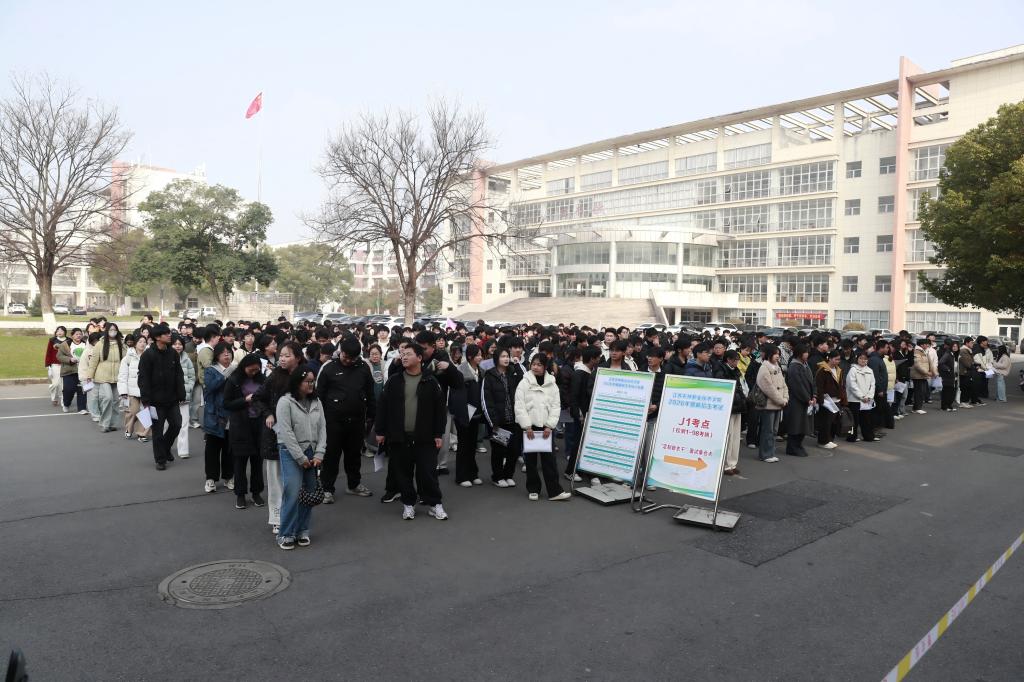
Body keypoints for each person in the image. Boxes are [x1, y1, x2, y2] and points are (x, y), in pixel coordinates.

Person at [374, 344, 448, 521]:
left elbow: (440, 410)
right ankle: (408, 504)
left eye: (408, 354)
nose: (404, 357)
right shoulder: (394, 380)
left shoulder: (431, 381)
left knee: (428, 473)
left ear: (419, 358)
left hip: (425, 437)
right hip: (399, 436)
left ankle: (435, 504)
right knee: (403, 473)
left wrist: (438, 434)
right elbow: (383, 406)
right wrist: (380, 431)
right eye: (402, 354)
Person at [316, 338, 376, 502]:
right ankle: (327, 489)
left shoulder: (363, 367)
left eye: (352, 358)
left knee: (354, 455)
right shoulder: (328, 367)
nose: (348, 360)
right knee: (331, 455)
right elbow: (318, 395)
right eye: (345, 357)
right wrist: (318, 419)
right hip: (332, 421)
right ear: (340, 351)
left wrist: (372, 414)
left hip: (357, 420)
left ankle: (354, 484)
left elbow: (370, 392)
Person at [275, 368, 327, 550]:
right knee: (293, 491)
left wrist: (319, 453)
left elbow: (323, 428)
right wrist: (300, 457)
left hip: (312, 452)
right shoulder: (285, 402)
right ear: (298, 382)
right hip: (290, 452)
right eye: (307, 381)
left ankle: (302, 530)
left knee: (309, 493)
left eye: (313, 381)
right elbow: (286, 432)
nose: (311, 384)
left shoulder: (317, 401)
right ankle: (286, 533)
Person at [514, 353, 571, 501]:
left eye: (539, 365)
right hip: (530, 428)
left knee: (549, 461)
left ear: (545, 367)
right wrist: (527, 426)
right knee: (531, 461)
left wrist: (549, 426)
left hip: (546, 428)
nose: (535, 367)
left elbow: (556, 406)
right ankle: (533, 489)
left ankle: (555, 491)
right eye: (533, 364)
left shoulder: (552, 384)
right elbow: (519, 406)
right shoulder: (524, 382)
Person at [137, 324, 186, 470]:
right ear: (157, 337)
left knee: (177, 425)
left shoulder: (173, 353)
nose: (170, 335)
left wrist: (181, 393)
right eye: (166, 333)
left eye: (169, 333)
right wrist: (146, 400)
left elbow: (179, 374)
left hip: (172, 399)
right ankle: (160, 459)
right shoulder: (148, 355)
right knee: (157, 432)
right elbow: (143, 379)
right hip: (155, 401)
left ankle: (165, 448)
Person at [223, 354, 266, 510]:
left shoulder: (262, 380)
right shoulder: (234, 380)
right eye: (251, 370)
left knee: (257, 461)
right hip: (240, 424)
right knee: (240, 461)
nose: (253, 373)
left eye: (256, 370)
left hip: (258, 423)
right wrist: (245, 400)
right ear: (243, 367)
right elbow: (226, 403)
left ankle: (256, 492)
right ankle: (240, 495)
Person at [481, 347, 523, 488]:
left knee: (514, 450)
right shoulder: (490, 375)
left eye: (507, 356)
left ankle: (508, 475)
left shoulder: (512, 372)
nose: (506, 359)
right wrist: (493, 421)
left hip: (514, 419)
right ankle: (497, 477)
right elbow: (486, 400)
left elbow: (524, 380)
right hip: (498, 421)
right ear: (496, 359)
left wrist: (517, 364)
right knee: (499, 451)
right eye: (503, 356)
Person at [202, 342, 237, 490]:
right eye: (223, 352)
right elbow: (210, 387)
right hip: (214, 415)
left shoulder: (235, 370)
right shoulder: (210, 370)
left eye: (229, 352)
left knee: (229, 448)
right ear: (217, 355)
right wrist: (225, 375)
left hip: (231, 414)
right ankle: (211, 479)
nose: (227, 355)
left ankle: (229, 477)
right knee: (212, 449)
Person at [566, 346, 601, 481]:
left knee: (584, 442)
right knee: (578, 442)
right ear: (592, 359)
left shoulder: (589, 372)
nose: (599, 359)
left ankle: (580, 469)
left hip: (587, 413)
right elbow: (574, 397)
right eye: (598, 357)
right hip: (581, 415)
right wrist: (579, 414)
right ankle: (570, 471)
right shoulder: (580, 374)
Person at [455, 343, 485, 487]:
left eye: (481, 355)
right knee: (463, 444)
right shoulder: (460, 371)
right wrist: (461, 413)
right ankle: (461, 476)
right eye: (477, 355)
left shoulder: (481, 371)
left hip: (476, 413)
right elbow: (457, 395)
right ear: (470, 356)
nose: (480, 357)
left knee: (472, 444)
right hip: (463, 413)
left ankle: (473, 473)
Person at [87, 323, 124, 433]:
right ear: (106, 331)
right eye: (110, 330)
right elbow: (93, 361)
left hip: (117, 377)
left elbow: (125, 360)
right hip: (103, 376)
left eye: (115, 330)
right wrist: (89, 375)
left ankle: (112, 424)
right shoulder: (100, 344)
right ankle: (104, 423)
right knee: (107, 398)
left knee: (116, 401)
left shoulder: (121, 344)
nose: (113, 331)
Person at [754, 345, 788, 463]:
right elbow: (768, 388)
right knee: (768, 430)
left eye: (778, 353)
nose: (777, 356)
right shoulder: (764, 368)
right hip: (769, 404)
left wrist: (785, 397)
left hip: (778, 403)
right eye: (775, 354)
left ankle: (770, 452)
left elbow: (783, 384)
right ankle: (765, 454)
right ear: (769, 355)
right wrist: (781, 400)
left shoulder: (777, 366)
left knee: (774, 430)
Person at [117, 335, 151, 442]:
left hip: (146, 389)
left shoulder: (150, 356)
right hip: (132, 390)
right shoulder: (128, 358)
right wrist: (123, 391)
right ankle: (129, 428)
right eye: (140, 341)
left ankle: (142, 433)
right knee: (133, 411)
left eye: (144, 342)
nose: (142, 344)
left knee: (145, 411)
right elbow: (122, 375)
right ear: (135, 344)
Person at [783, 343, 815, 457]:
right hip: (796, 400)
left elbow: (812, 381)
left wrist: (814, 396)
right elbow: (797, 386)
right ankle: (792, 447)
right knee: (795, 425)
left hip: (806, 400)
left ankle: (798, 445)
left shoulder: (805, 365)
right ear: (799, 354)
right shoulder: (794, 367)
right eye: (805, 352)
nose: (807, 354)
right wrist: (807, 398)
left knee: (802, 425)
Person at [719, 350, 746, 475]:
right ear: (728, 359)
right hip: (729, 407)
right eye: (735, 360)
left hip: (738, 405)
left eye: (737, 360)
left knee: (735, 436)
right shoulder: (721, 371)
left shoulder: (736, 371)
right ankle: (726, 464)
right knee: (729, 436)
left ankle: (732, 463)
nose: (736, 362)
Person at [814, 350, 845, 449]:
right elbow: (819, 386)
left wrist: (842, 397)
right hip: (827, 400)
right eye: (836, 359)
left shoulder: (838, 370)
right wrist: (821, 400)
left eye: (839, 359)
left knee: (833, 422)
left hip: (837, 399)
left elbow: (841, 385)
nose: (838, 361)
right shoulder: (822, 370)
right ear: (830, 359)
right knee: (825, 422)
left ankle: (829, 439)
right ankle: (822, 441)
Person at [846, 352, 879, 443]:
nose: (863, 360)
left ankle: (868, 436)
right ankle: (851, 437)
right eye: (861, 358)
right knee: (853, 420)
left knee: (866, 420)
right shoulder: (853, 370)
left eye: (865, 359)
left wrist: (869, 396)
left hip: (867, 400)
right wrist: (861, 396)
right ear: (857, 359)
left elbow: (873, 385)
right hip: (854, 399)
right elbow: (852, 385)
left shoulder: (870, 370)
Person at [57, 328, 88, 414]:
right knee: (69, 389)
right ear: (72, 335)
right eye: (76, 334)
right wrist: (70, 360)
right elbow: (59, 356)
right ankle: (66, 404)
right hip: (69, 371)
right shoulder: (65, 344)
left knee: (82, 389)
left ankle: (82, 408)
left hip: (83, 371)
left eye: (80, 334)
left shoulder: (86, 344)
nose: (78, 336)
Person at [910, 338, 933, 414]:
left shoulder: (923, 351)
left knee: (922, 391)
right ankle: (916, 408)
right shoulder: (917, 351)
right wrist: (926, 372)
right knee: (919, 392)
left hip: (922, 375)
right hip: (918, 375)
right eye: (926, 344)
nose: (927, 346)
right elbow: (918, 365)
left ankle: (918, 407)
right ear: (922, 345)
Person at [46, 326, 67, 406]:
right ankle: (54, 397)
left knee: (64, 385)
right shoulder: (52, 340)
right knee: (55, 384)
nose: (59, 332)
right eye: (58, 331)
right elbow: (48, 353)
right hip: (55, 365)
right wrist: (48, 365)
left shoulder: (68, 340)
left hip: (66, 364)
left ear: (65, 332)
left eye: (61, 330)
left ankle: (63, 401)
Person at [958, 337, 980, 407]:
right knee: (965, 388)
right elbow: (967, 363)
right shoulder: (963, 351)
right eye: (971, 343)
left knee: (968, 387)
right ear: (966, 343)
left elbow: (971, 362)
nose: (972, 344)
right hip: (964, 372)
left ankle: (966, 402)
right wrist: (974, 366)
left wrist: (974, 365)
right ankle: (963, 402)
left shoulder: (968, 350)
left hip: (968, 372)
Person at [937, 340, 958, 411]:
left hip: (954, 376)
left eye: (956, 346)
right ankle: (944, 407)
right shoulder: (948, 354)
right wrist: (948, 369)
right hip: (947, 376)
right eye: (954, 346)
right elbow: (941, 363)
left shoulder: (955, 354)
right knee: (947, 391)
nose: (955, 348)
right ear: (951, 347)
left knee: (952, 391)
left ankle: (949, 405)